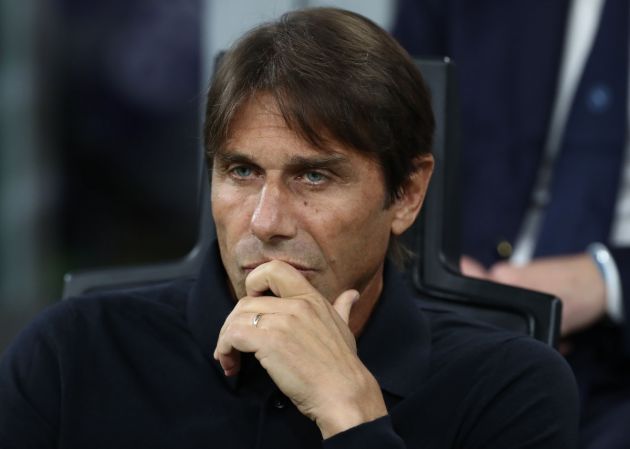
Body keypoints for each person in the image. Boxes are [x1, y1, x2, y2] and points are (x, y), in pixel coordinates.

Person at [0, 7, 578, 448]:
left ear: (407, 193)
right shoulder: (71, 354)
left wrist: (351, 414)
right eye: (242, 171)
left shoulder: (508, 387)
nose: (266, 222)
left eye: (315, 177)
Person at [392, 0, 630, 447]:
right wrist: (435, 255)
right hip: (456, 309)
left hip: (615, 356)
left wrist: (609, 279)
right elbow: (390, 128)